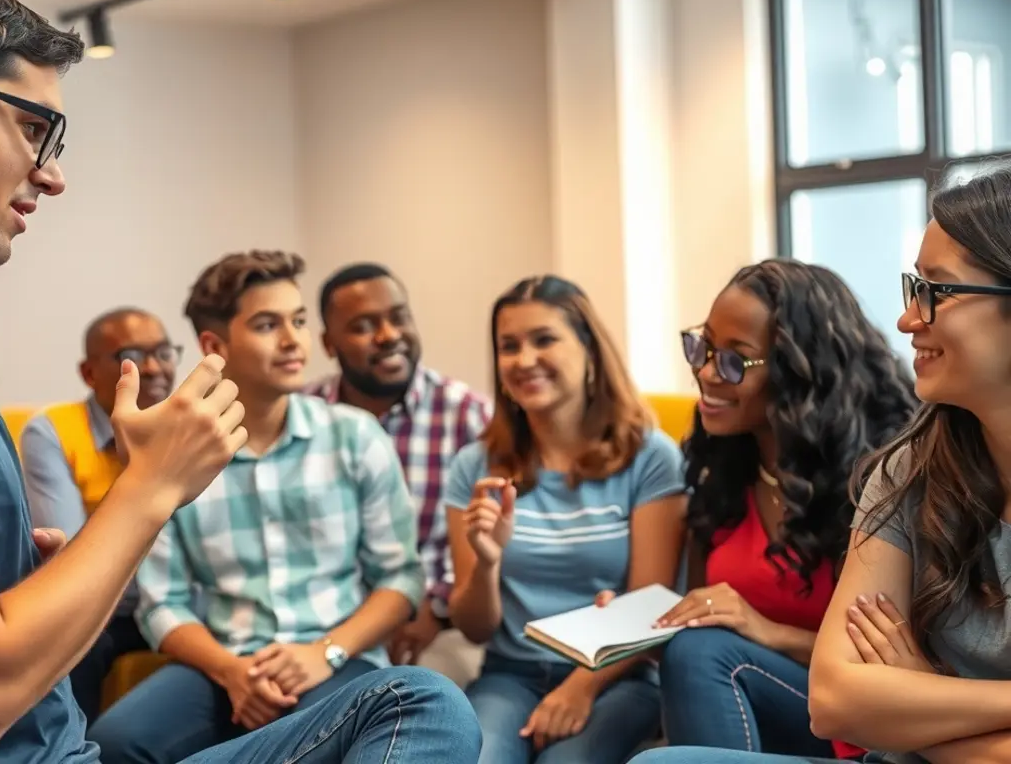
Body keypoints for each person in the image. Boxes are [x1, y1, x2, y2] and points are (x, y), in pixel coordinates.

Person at [0, 0, 480, 764]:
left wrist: (39, 582)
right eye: (35, 128)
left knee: (415, 701)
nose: (53, 174)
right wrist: (152, 485)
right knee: (417, 710)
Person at [629, 169, 1011, 764]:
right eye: (702, 350)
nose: (908, 319)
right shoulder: (912, 465)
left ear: (796, 370)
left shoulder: (863, 458)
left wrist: (921, 701)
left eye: (937, 291)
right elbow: (835, 698)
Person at [89, 251, 430, 763]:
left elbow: (400, 580)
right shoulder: (176, 456)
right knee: (117, 742)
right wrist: (230, 671)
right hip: (224, 663)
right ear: (214, 345)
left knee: (326, 732)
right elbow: (163, 603)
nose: (294, 341)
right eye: (269, 325)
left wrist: (324, 653)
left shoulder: (355, 436)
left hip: (338, 659)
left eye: (298, 321)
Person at [651, 260, 915, 758]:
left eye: (735, 360)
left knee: (703, 655)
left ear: (800, 372)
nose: (706, 372)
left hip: (853, 726)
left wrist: (766, 632)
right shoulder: (725, 472)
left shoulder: (880, 480)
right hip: (743, 711)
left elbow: (890, 664)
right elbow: (699, 614)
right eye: (700, 347)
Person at [445, 275, 688, 764]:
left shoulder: (650, 457)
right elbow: (473, 627)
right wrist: (488, 562)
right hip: (509, 674)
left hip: (618, 678)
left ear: (589, 350)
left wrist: (579, 689)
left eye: (544, 339)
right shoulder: (475, 466)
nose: (524, 359)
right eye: (508, 346)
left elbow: (650, 608)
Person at [309, 262, 491, 681]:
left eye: (399, 316)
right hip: (329, 627)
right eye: (363, 326)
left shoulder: (468, 414)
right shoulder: (307, 414)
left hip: (438, 627)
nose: (389, 335)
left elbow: (487, 536)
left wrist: (435, 604)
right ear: (328, 343)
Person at [19, 307, 180, 720]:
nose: (155, 367)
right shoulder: (54, 430)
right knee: (71, 646)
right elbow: (69, 554)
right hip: (110, 607)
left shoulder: (189, 428)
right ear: (89, 373)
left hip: (184, 599)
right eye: (132, 355)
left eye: (164, 352)